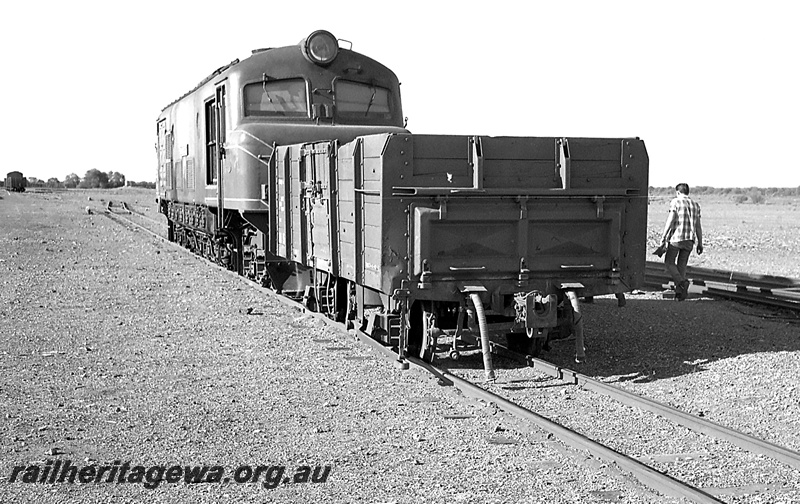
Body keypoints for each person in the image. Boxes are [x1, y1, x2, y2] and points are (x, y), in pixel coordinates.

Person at [660, 183, 703, 300]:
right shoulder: (696, 205)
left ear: (678, 192)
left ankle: (681, 282)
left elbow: (671, 219)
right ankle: (680, 294)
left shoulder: (676, 202)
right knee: (682, 265)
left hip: (677, 238)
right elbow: (698, 226)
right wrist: (700, 243)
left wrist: (664, 236)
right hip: (690, 240)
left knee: (669, 262)